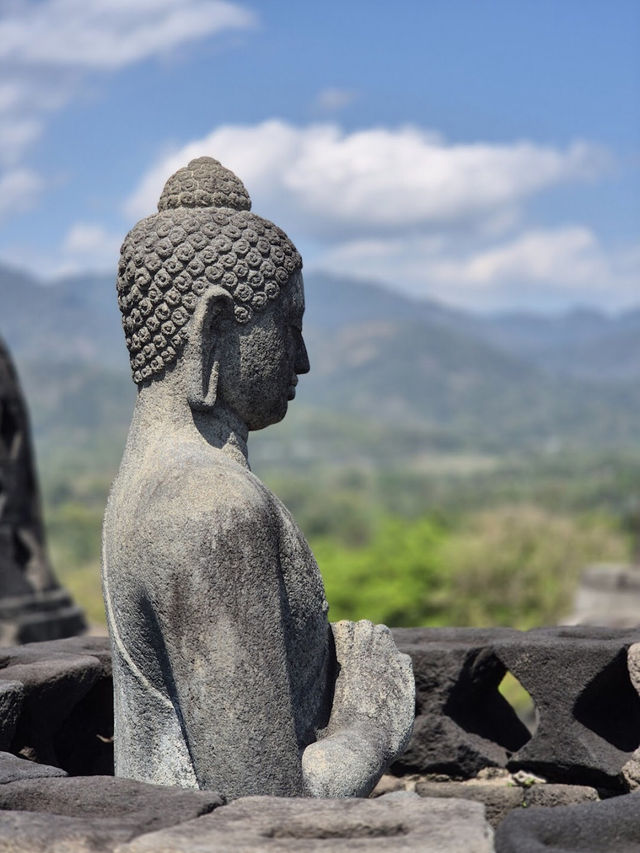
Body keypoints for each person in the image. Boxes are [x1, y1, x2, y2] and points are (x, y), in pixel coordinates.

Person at [102, 157, 414, 798]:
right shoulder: (207, 505)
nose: (302, 358)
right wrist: (370, 722)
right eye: (288, 324)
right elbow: (263, 806)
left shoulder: (149, 483)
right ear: (214, 328)